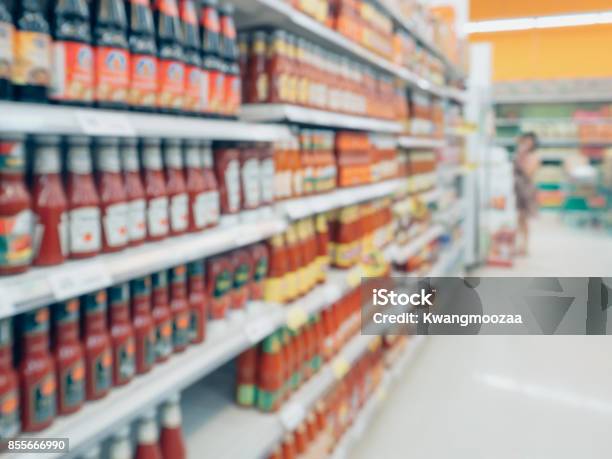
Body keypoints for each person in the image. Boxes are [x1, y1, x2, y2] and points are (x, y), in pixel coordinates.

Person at [513, 132, 540, 256]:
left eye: (530, 142)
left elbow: (528, 172)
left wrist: (521, 157)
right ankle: (519, 245)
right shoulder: (520, 154)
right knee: (519, 218)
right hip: (517, 188)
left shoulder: (534, 156)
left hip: (527, 190)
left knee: (524, 219)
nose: (527, 144)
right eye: (525, 141)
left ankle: (525, 246)